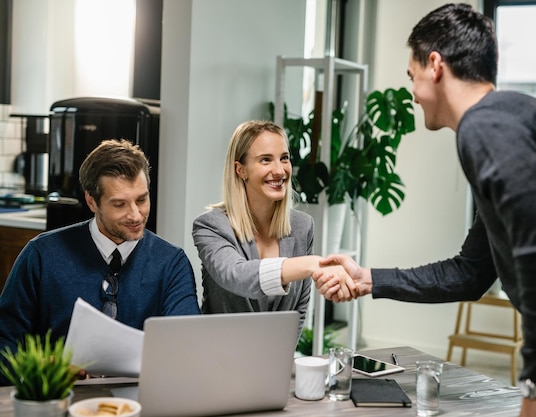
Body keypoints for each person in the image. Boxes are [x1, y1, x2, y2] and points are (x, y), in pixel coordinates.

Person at [313, 3, 536, 417]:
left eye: (412, 76)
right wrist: (367, 278)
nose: (412, 93)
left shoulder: (486, 126)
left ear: (435, 65)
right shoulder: (507, 122)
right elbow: (471, 272)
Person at [0, 139, 200, 385]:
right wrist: (43, 368)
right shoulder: (41, 254)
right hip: (56, 398)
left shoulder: (172, 263)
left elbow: (185, 348)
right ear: (92, 201)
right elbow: (4, 344)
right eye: (119, 204)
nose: (136, 215)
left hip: (141, 402)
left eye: (141, 200)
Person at [192, 120, 351, 336]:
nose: (279, 170)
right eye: (265, 160)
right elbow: (237, 276)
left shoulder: (302, 226)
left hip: (275, 363)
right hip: (219, 361)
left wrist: (281, 362)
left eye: (284, 158)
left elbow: (298, 311)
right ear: (241, 170)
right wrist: (314, 264)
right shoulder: (211, 226)